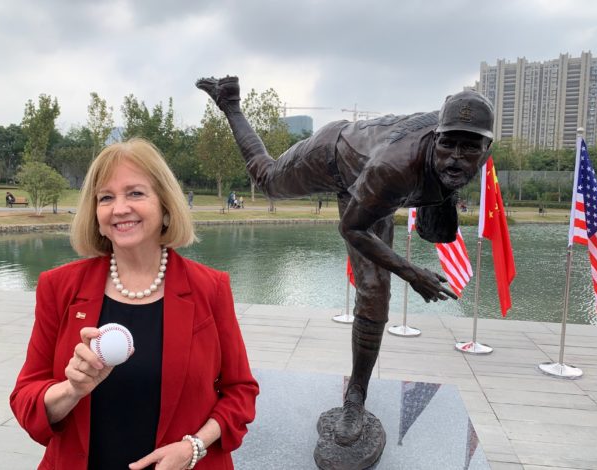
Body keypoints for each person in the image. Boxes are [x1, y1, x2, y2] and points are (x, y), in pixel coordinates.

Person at [196, 76, 494, 446]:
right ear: (436, 136)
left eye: (470, 148)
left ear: (487, 147)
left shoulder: (466, 135)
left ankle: (356, 396)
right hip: (332, 157)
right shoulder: (394, 168)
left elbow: (450, 159)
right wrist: (413, 273)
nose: (456, 156)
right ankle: (230, 103)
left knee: (373, 296)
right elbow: (351, 228)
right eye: (448, 144)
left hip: (374, 182)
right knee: (268, 178)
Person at [10, 138, 259, 469]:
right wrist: (72, 389)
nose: (119, 208)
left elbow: (240, 391)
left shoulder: (209, 288)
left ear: (165, 205)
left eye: (135, 193)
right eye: (106, 197)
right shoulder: (59, 287)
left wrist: (193, 448)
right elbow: (26, 401)